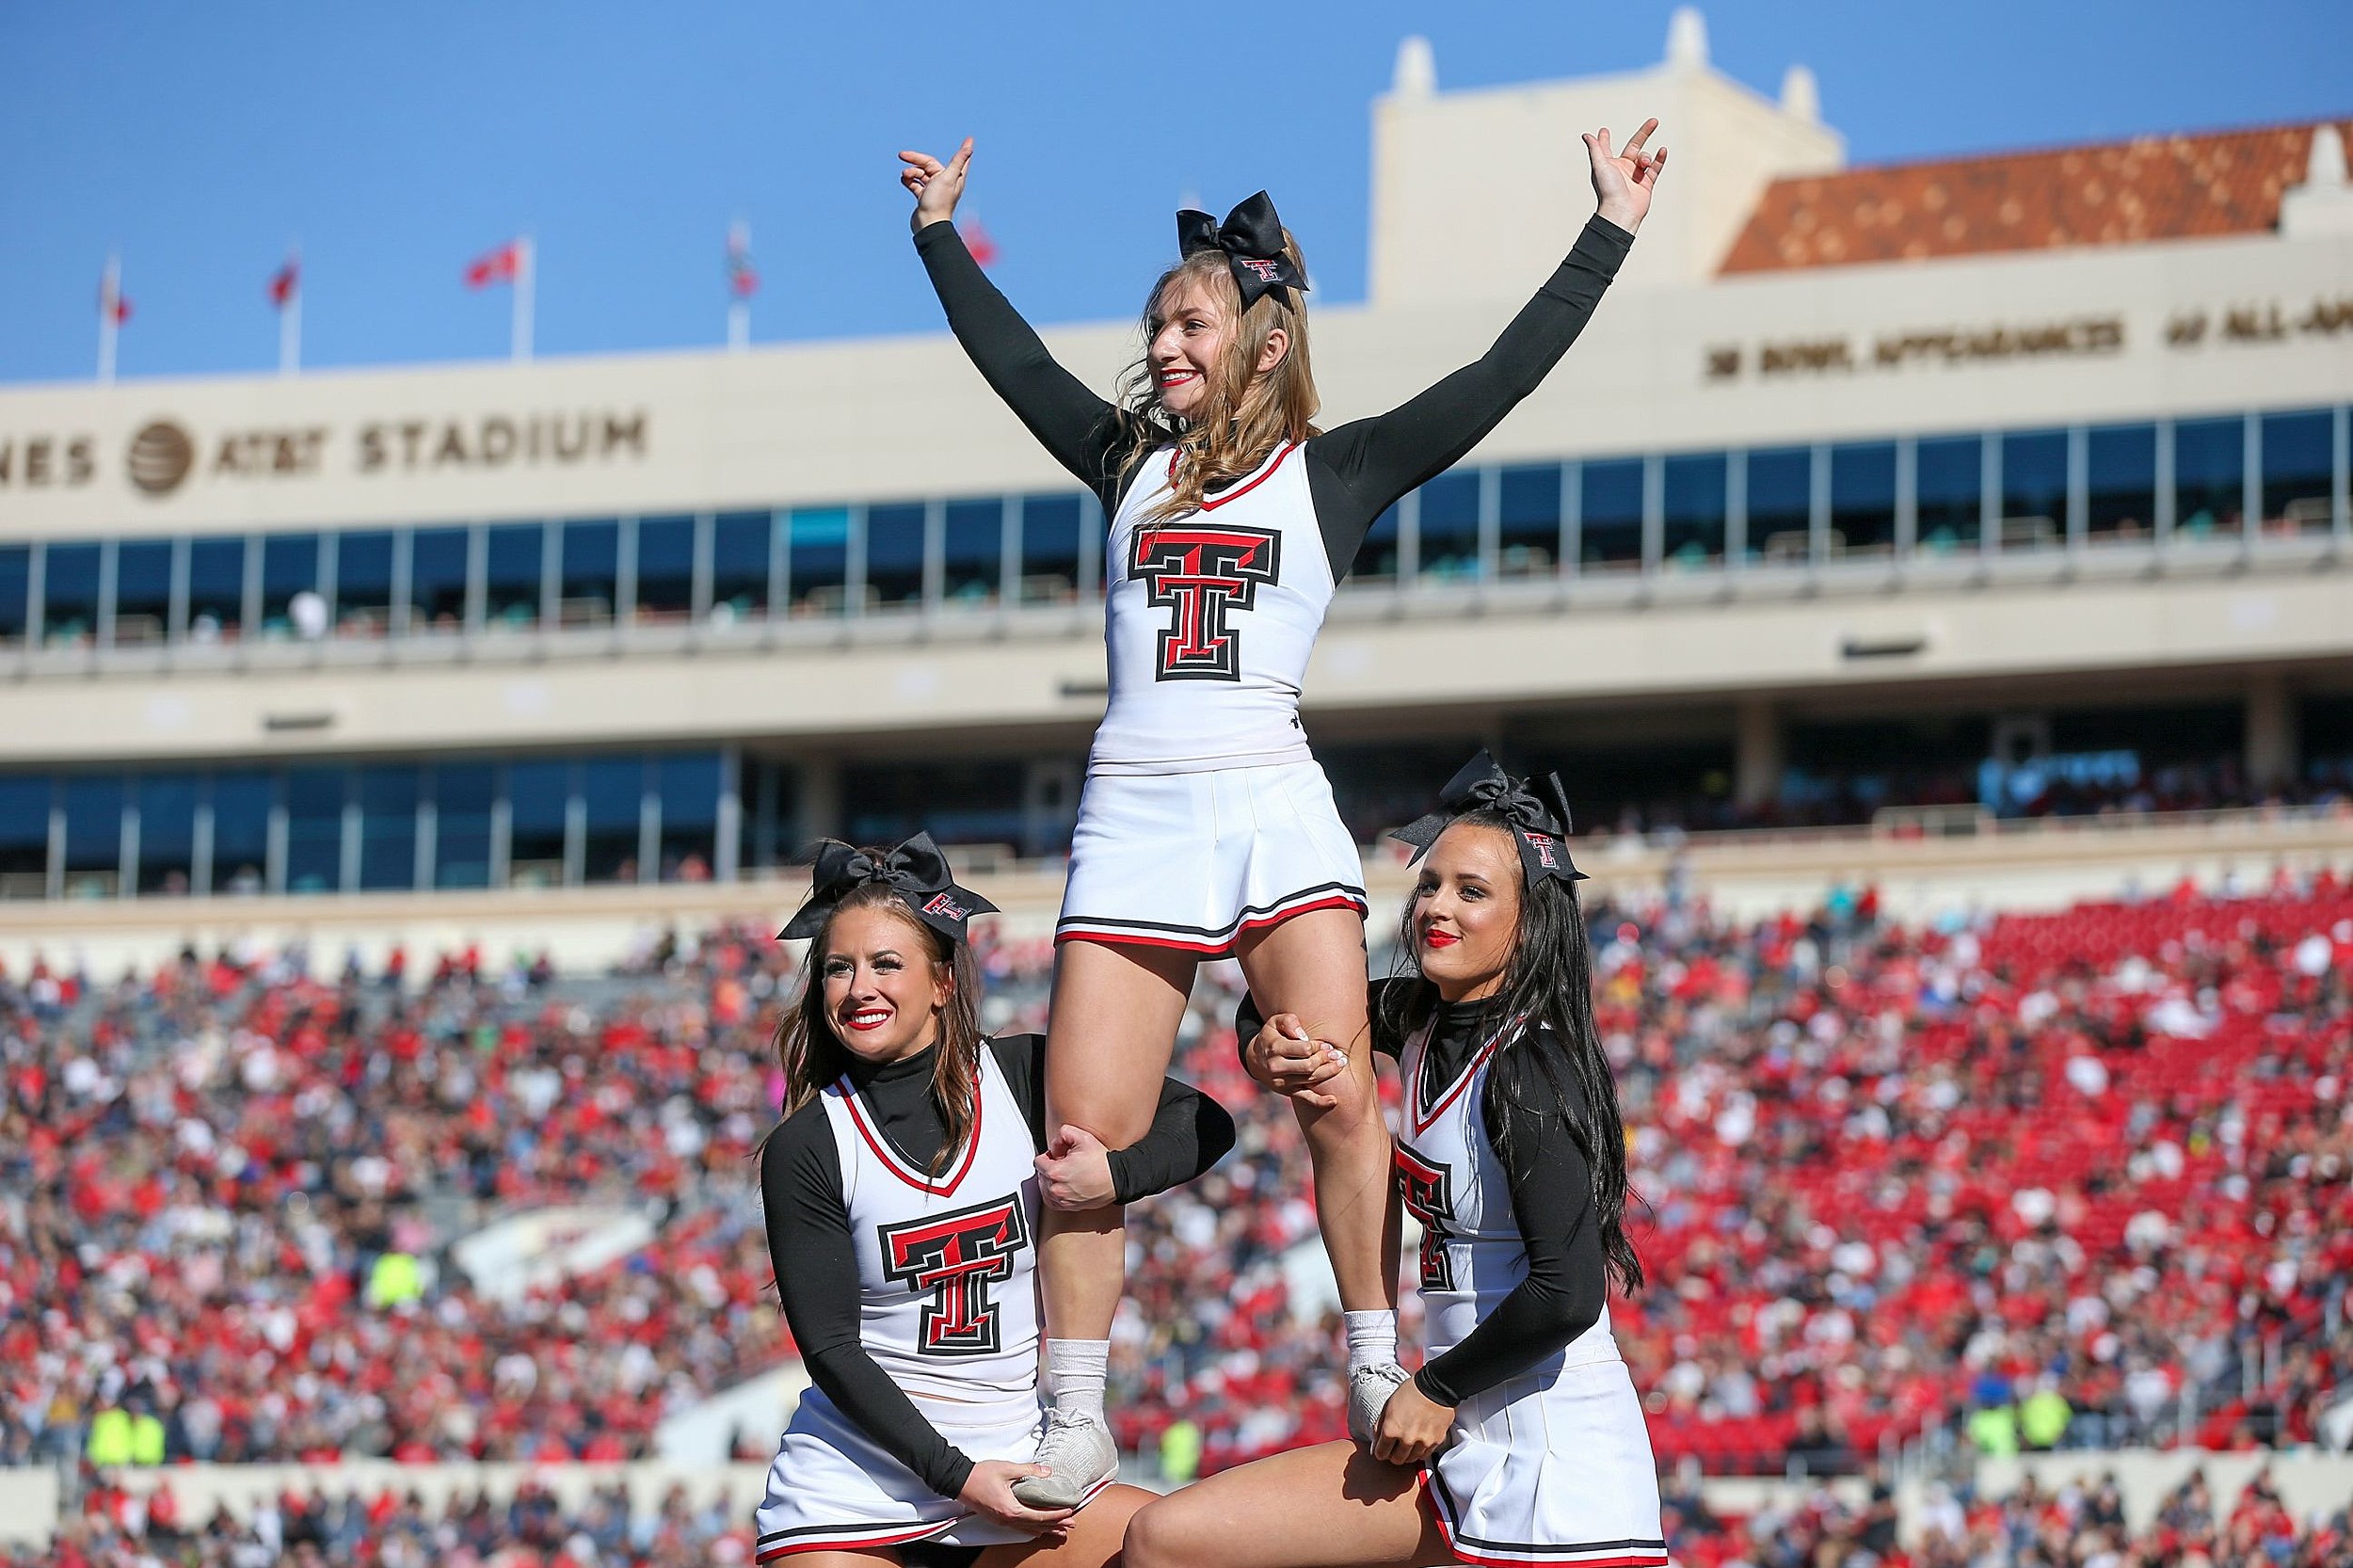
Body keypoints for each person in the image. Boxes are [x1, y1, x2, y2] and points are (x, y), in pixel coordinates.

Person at [897, 117, 1666, 1504]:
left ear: (1264, 338)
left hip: (1270, 807)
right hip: (1131, 818)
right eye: (1156, 326)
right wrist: (938, 237)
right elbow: (1015, 365)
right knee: (1083, 1147)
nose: (1164, 346)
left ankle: (1374, 1356)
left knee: (1336, 1083)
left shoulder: (1335, 472)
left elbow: (1493, 382)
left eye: (1190, 321)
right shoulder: (1122, 458)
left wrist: (1606, 231)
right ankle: (1076, 1409)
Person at [1122, 753, 1662, 1568]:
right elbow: (1278, 999)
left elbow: (1570, 1290)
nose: (1437, 907)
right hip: (1452, 1438)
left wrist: (1436, 1386)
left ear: (1532, 919)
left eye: (1472, 892)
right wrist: (1261, 1047)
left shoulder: (1531, 1066)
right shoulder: (1417, 1018)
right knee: (1167, 1540)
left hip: (1552, 1461)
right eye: (1431, 884)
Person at [755, 835, 1236, 1566]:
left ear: (944, 982)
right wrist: (959, 1477)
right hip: (855, 1490)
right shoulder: (810, 1144)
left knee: (1181, 1545)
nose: (860, 988)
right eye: (839, 968)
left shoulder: (1022, 1076)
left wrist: (1117, 1175)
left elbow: (1206, 1122)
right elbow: (831, 1350)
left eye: (887, 964)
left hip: (1024, 1471)